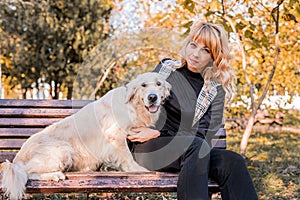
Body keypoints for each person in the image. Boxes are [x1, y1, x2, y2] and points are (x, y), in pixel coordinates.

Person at [127, 20, 258, 200]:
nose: (195, 54)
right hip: (148, 146)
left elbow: (203, 136)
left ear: (214, 56)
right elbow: (141, 103)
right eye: (193, 45)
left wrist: (158, 132)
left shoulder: (214, 90)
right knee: (195, 147)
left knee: (232, 161)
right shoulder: (165, 69)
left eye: (205, 50)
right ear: (187, 44)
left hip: (188, 149)